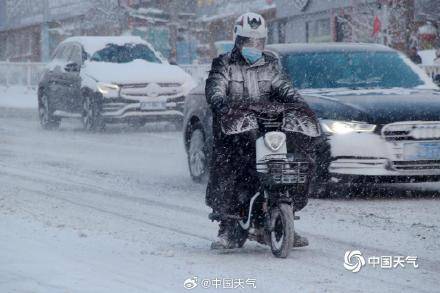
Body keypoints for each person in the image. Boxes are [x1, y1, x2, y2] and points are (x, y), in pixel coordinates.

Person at [205, 12, 317, 250]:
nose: (253, 47)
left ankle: (283, 218)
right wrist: (222, 104)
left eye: (258, 42)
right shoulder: (224, 63)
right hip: (235, 131)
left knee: (290, 164)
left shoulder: (271, 64)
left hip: (268, 127)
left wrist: (299, 104)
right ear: (238, 40)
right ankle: (228, 225)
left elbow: (284, 88)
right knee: (234, 169)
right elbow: (215, 88)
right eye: (248, 41)